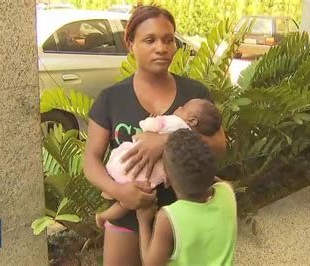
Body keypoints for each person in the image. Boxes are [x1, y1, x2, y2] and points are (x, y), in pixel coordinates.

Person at [83, 5, 226, 265]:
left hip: (187, 218)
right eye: (149, 40)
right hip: (128, 215)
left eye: (168, 39)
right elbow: (91, 160)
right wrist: (119, 191)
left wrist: (166, 140)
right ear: (130, 44)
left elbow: (219, 145)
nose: (161, 47)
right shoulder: (110, 99)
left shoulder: (194, 95)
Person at [96, 99, 222, 228]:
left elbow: (151, 125)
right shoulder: (191, 141)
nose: (178, 107)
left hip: (136, 162)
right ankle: (104, 216)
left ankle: (108, 200)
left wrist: (149, 123)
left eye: (183, 108)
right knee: (126, 203)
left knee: (125, 191)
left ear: (192, 121)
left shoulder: (175, 121)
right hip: (153, 176)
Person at [137, 129, 237, 266]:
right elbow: (218, 180)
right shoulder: (227, 192)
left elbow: (150, 264)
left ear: (166, 179)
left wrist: (143, 221)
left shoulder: (168, 218)